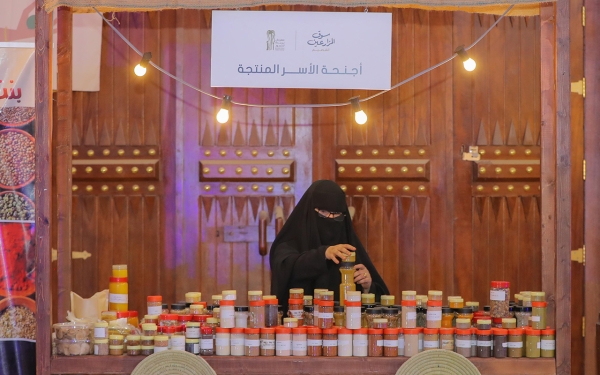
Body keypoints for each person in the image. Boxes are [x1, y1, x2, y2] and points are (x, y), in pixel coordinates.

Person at [269, 180, 389, 312]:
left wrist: (368, 286)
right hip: (300, 326)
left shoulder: (349, 245)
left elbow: (382, 298)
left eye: (337, 214)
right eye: (324, 212)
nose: (331, 219)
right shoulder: (290, 242)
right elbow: (283, 268)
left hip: (344, 326)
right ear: (310, 210)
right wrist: (323, 254)